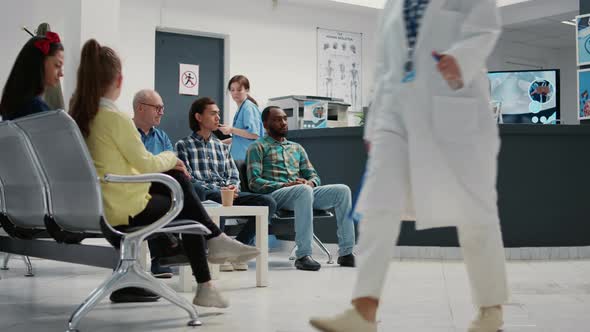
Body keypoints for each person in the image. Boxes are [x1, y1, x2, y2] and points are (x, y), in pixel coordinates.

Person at [309, 0, 508, 331]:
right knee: (378, 205)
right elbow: (386, 65)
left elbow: (485, 27)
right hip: (396, 112)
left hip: (455, 106)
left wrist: (461, 58)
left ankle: (491, 310)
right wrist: (374, 124)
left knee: (476, 212)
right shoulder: (394, 4)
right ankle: (364, 309)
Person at [68, 39, 259, 307]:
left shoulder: (79, 115)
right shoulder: (114, 117)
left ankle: (207, 254)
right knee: (180, 185)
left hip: (98, 203)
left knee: (179, 184)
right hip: (121, 208)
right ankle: (212, 254)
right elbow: (146, 163)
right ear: (119, 79)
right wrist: (172, 158)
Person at [246, 106, 356, 271]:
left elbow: (314, 176)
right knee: (302, 191)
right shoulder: (257, 147)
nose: (283, 123)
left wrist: (309, 183)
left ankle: (346, 253)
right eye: (277, 119)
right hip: (276, 195)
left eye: (284, 118)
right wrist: (285, 185)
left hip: (302, 192)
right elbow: (254, 182)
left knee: (342, 190)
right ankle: (303, 255)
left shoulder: (297, 148)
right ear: (265, 124)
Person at [176, 97, 277, 271]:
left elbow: (233, 173)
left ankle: (235, 249)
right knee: (214, 198)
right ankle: (219, 251)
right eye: (213, 113)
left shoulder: (222, 147)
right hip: (205, 194)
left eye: (218, 114)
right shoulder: (183, 145)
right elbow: (187, 179)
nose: (218, 118)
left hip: (227, 193)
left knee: (268, 202)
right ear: (199, 117)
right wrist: (218, 190)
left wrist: (232, 187)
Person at [131, 88, 182, 279]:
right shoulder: (128, 134)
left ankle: (175, 249)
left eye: (162, 108)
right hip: (136, 187)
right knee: (160, 197)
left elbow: (174, 162)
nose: (162, 112)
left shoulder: (162, 136)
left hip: (163, 183)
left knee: (184, 189)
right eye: (157, 108)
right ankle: (164, 254)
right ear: (141, 108)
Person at [0, 32, 64, 120]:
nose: (61, 73)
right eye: (57, 65)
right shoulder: (37, 110)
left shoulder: (13, 103)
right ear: (39, 63)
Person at [218, 75, 263, 161]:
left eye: (239, 90)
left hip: (248, 159)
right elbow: (240, 137)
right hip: (240, 159)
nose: (235, 93)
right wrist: (220, 143)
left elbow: (254, 134)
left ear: (247, 90)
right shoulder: (241, 108)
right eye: (232, 90)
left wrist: (231, 130)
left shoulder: (248, 108)